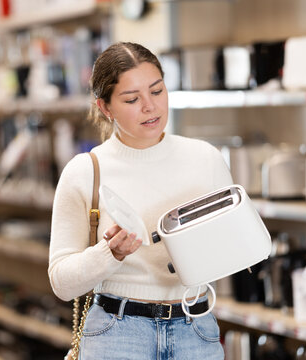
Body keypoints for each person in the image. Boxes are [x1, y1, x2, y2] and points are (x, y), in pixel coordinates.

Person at [48, 42, 233, 359]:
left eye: (157, 91)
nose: (150, 106)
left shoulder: (206, 159)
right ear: (105, 107)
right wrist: (109, 254)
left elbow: (233, 250)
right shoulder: (85, 171)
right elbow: (62, 283)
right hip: (116, 334)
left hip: (196, 329)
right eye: (132, 99)